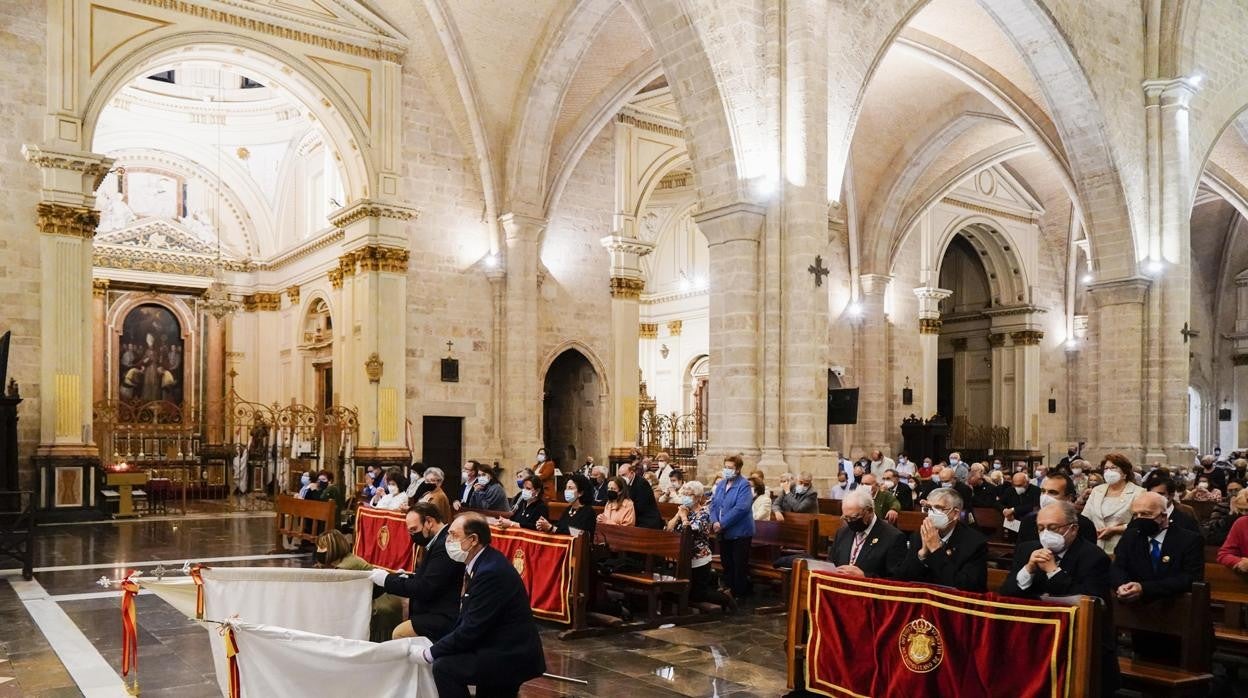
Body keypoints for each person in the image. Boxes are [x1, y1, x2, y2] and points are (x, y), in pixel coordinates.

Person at [418, 514, 545, 698]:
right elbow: (468, 619)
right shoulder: (483, 561)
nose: (448, 540)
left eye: (454, 535)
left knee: (444, 667)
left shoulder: (490, 572)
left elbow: (471, 628)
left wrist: (430, 652)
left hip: (509, 654)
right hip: (495, 644)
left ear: (473, 540)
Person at [999, 501, 1118, 696]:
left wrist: (1053, 572)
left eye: (1053, 528)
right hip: (1036, 637)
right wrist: (1028, 569)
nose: (1046, 533)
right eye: (1041, 528)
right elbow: (1007, 595)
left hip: (1079, 641)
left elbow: (1090, 602)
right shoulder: (1027, 550)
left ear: (1073, 529)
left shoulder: (1093, 556)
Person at [370, 502, 464, 642]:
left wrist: (387, 580)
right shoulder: (437, 541)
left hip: (441, 614)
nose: (412, 535)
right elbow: (432, 577)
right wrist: (405, 577)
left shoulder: (444, 545)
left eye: (414, 530)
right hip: (432, 607)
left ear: (429, 522)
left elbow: (425, 588)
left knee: (399, 634)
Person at [317, 530, 403, 643]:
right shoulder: (344, 560)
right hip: (377, 596)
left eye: (322, 547)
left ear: (334, 548)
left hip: (382, 601)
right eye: (318, 547)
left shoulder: (345, 567)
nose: (318, 551)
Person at [897, 488, 987, 591]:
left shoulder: (975, 543)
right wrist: (922, 554)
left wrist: (936, 550)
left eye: (938, 508)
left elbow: (966, 587)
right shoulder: (919, 535)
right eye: (929, 508)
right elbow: (901, 579)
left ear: (956, 513)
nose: (932, 513)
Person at [666, 480, 735, 610]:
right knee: (685, 591)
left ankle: (726, 597)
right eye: (684, 494)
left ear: (697, 497)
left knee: (699, 594)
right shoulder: (683, 511)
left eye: (689, 494)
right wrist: (677, 515)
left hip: (699, 557)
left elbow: (690, 531)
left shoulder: (704, 513)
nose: (685, 497)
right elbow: (669, 529)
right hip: (683, 557)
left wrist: (684, 517)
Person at [827, 488, 906, 578]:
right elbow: (831, 562)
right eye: (846, 518)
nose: (850, 522)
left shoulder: (893, 537)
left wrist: (865, 577)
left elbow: (896, 578)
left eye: (854, 518)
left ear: (869, 511)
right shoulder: (842, 532)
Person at [711, 455, 756, 599]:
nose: (727, 470)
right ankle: (728, 589)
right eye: (726, 467)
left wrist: (722, 523)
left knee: (739, 565)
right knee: (727, 563)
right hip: (723, 532)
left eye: (730, 468)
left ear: (738, 469)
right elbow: (714, 504)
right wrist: (714, 522)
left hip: (740, 532)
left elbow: (741, 508)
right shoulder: (721, 484)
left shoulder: (744, 485)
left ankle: (738, 593)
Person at [1084, 453, 1144, 553]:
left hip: (1123, 548)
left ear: (1124, 473)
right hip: (1095, 546)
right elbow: (1086, 517)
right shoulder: (1097, 490)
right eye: (1106, 468)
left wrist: (1116, 529)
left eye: (1113, 468)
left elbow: (1140, 523)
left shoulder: (1138, 492)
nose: (1108, 471)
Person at [1017, 473, 1096, 545]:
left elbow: (1088, 557)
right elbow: (1020, 555)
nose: (1045, 497)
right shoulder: (1028, 522)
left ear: (1069, 497)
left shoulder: (1084, 525)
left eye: (1053, 492)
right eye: (1043, 491)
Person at [1141, 472, 1201, 536]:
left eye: (1160, 494)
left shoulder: (1186, 511)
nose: (1155, 497)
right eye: (1152, 494)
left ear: (1171, 496)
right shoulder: (1141, 512)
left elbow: (1196, 538)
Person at [619, 461, 663, 529]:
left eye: (623, 475)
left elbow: (641, 506)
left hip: (647, 520)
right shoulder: (626, 484)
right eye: (620, 476)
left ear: (631, 473)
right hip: (635, 518)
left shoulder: (641, 483)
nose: (622, 478)